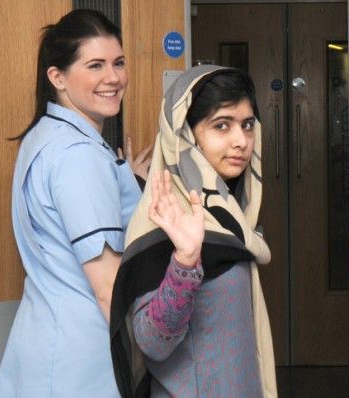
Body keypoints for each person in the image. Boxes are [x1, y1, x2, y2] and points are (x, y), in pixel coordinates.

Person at [0, 10, 150, 397]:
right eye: (95, 65)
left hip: (44, 342)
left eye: (118, 63)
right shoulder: (78, 155)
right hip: (80, 360)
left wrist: (124, 182)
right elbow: (108, 285)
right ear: (57, 77)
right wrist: (159, 348)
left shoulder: (46, 136)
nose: (112, 78)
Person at [110, 65, 277, 397]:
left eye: (247, 125)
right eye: (221, 126)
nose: (241, 141)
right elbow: (152, 343)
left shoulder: (230, 214)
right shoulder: (168, 216)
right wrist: (185, 261)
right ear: (184, 135)